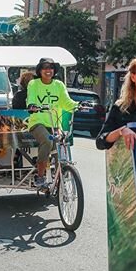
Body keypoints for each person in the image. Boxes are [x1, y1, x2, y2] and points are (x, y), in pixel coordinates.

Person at [26, 58, 79, 188]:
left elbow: (66, 102)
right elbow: (31, 98)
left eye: (50, 67)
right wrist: (32, 105)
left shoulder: (59, 85)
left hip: (55, 123)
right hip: (37, 122)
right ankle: (40, 176)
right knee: (47, 141)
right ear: (40, 70)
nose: (48, 70)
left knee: (61, 143)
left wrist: (79, 105)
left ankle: (61, 173)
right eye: (44, 67)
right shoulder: (34, 83)